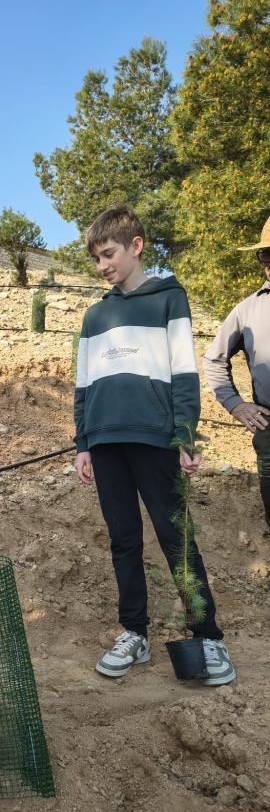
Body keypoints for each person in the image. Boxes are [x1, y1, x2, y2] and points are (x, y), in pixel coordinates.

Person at [73, 204, 235, 685]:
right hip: (104, 443)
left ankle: (209, 637)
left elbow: (184, 372)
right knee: (123, 541)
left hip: (154, 439)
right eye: (97, 258)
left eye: (109, 254)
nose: (103, 266)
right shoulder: (94, 315)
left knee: (176, 538)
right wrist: (83, 442)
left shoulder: (169, 300)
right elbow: (83, 385)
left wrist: (185, 434)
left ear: (136, 246)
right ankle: (134, 634)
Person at [202, 214, 270, 532]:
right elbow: (214, 361)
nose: (269, 261)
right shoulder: (247, 310)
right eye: (265, 254)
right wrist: (236, 404)